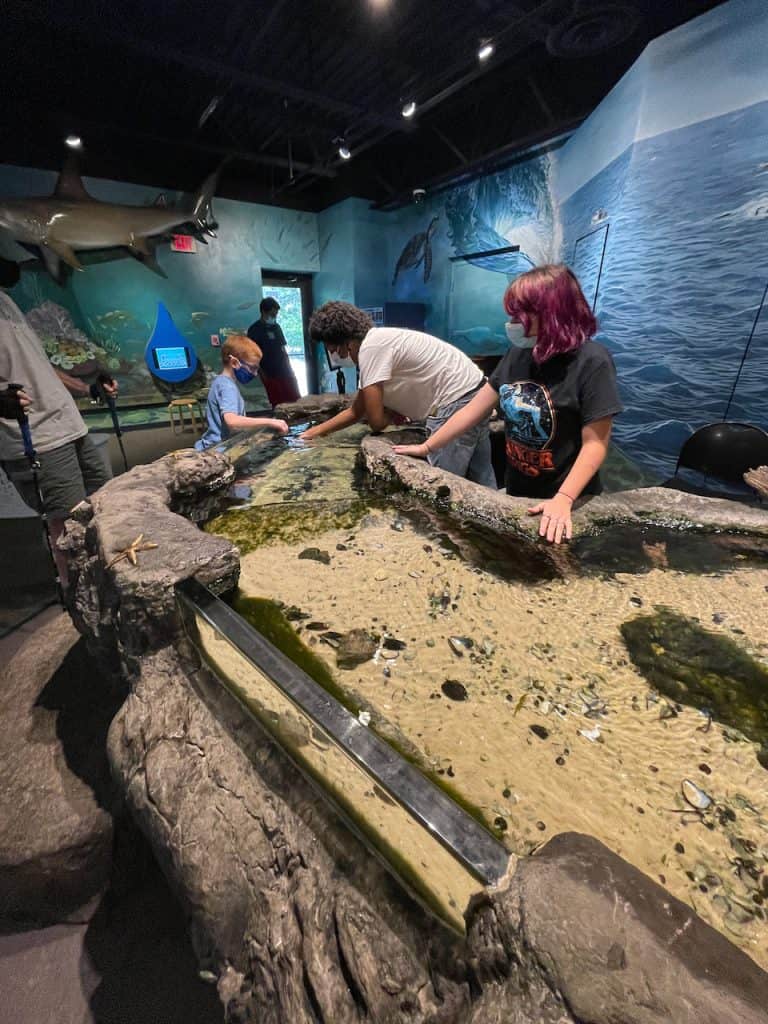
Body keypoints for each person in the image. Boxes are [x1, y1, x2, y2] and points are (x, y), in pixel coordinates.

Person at [394, 265, 623, 544]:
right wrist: (428, 447)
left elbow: (595, 444)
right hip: (518, 488)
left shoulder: (592, 362)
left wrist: (564, 499)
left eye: (520, 313)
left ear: (551, 312)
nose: (512, 321)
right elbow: (473, 409)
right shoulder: (519, 354)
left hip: (568, 496)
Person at [0, 260, 118, 585]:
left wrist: (88, 389)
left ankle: (106, 580)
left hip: (69, 425)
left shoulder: (6, 302)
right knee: (67, 526)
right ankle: (81, 597)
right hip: (37, 437)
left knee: (104, 502)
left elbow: (38, 366)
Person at [301, 301, 496, 487]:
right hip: (475, 392)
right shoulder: (380, 339)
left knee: (446, 484)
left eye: (333, 348)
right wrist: (313, 433)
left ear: (345, 342)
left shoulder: (371, 348)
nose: (335, 354)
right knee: (481, 477)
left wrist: (390, 415)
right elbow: (356, 411)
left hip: (455, 402)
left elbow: (376, 422)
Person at [195, 333, 288, 450]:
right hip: (219, 450)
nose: (255, 373)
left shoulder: (220, 381)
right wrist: (271, 422)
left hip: (211, 445)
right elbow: (232, 421)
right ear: (234, 362)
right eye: (252, 368)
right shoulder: (227, 387)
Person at [247, 297, 301, 408]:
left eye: (276, 315)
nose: (274, 317)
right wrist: (262, 374)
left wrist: (290, 368)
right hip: (269, 374)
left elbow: (283, 349)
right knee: (278, 404)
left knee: (295, 400)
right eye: (272, 315)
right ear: (263, 312)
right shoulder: (254, 330)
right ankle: (280, 424)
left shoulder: (277, 327)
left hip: (285, 370)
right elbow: (252, 356)